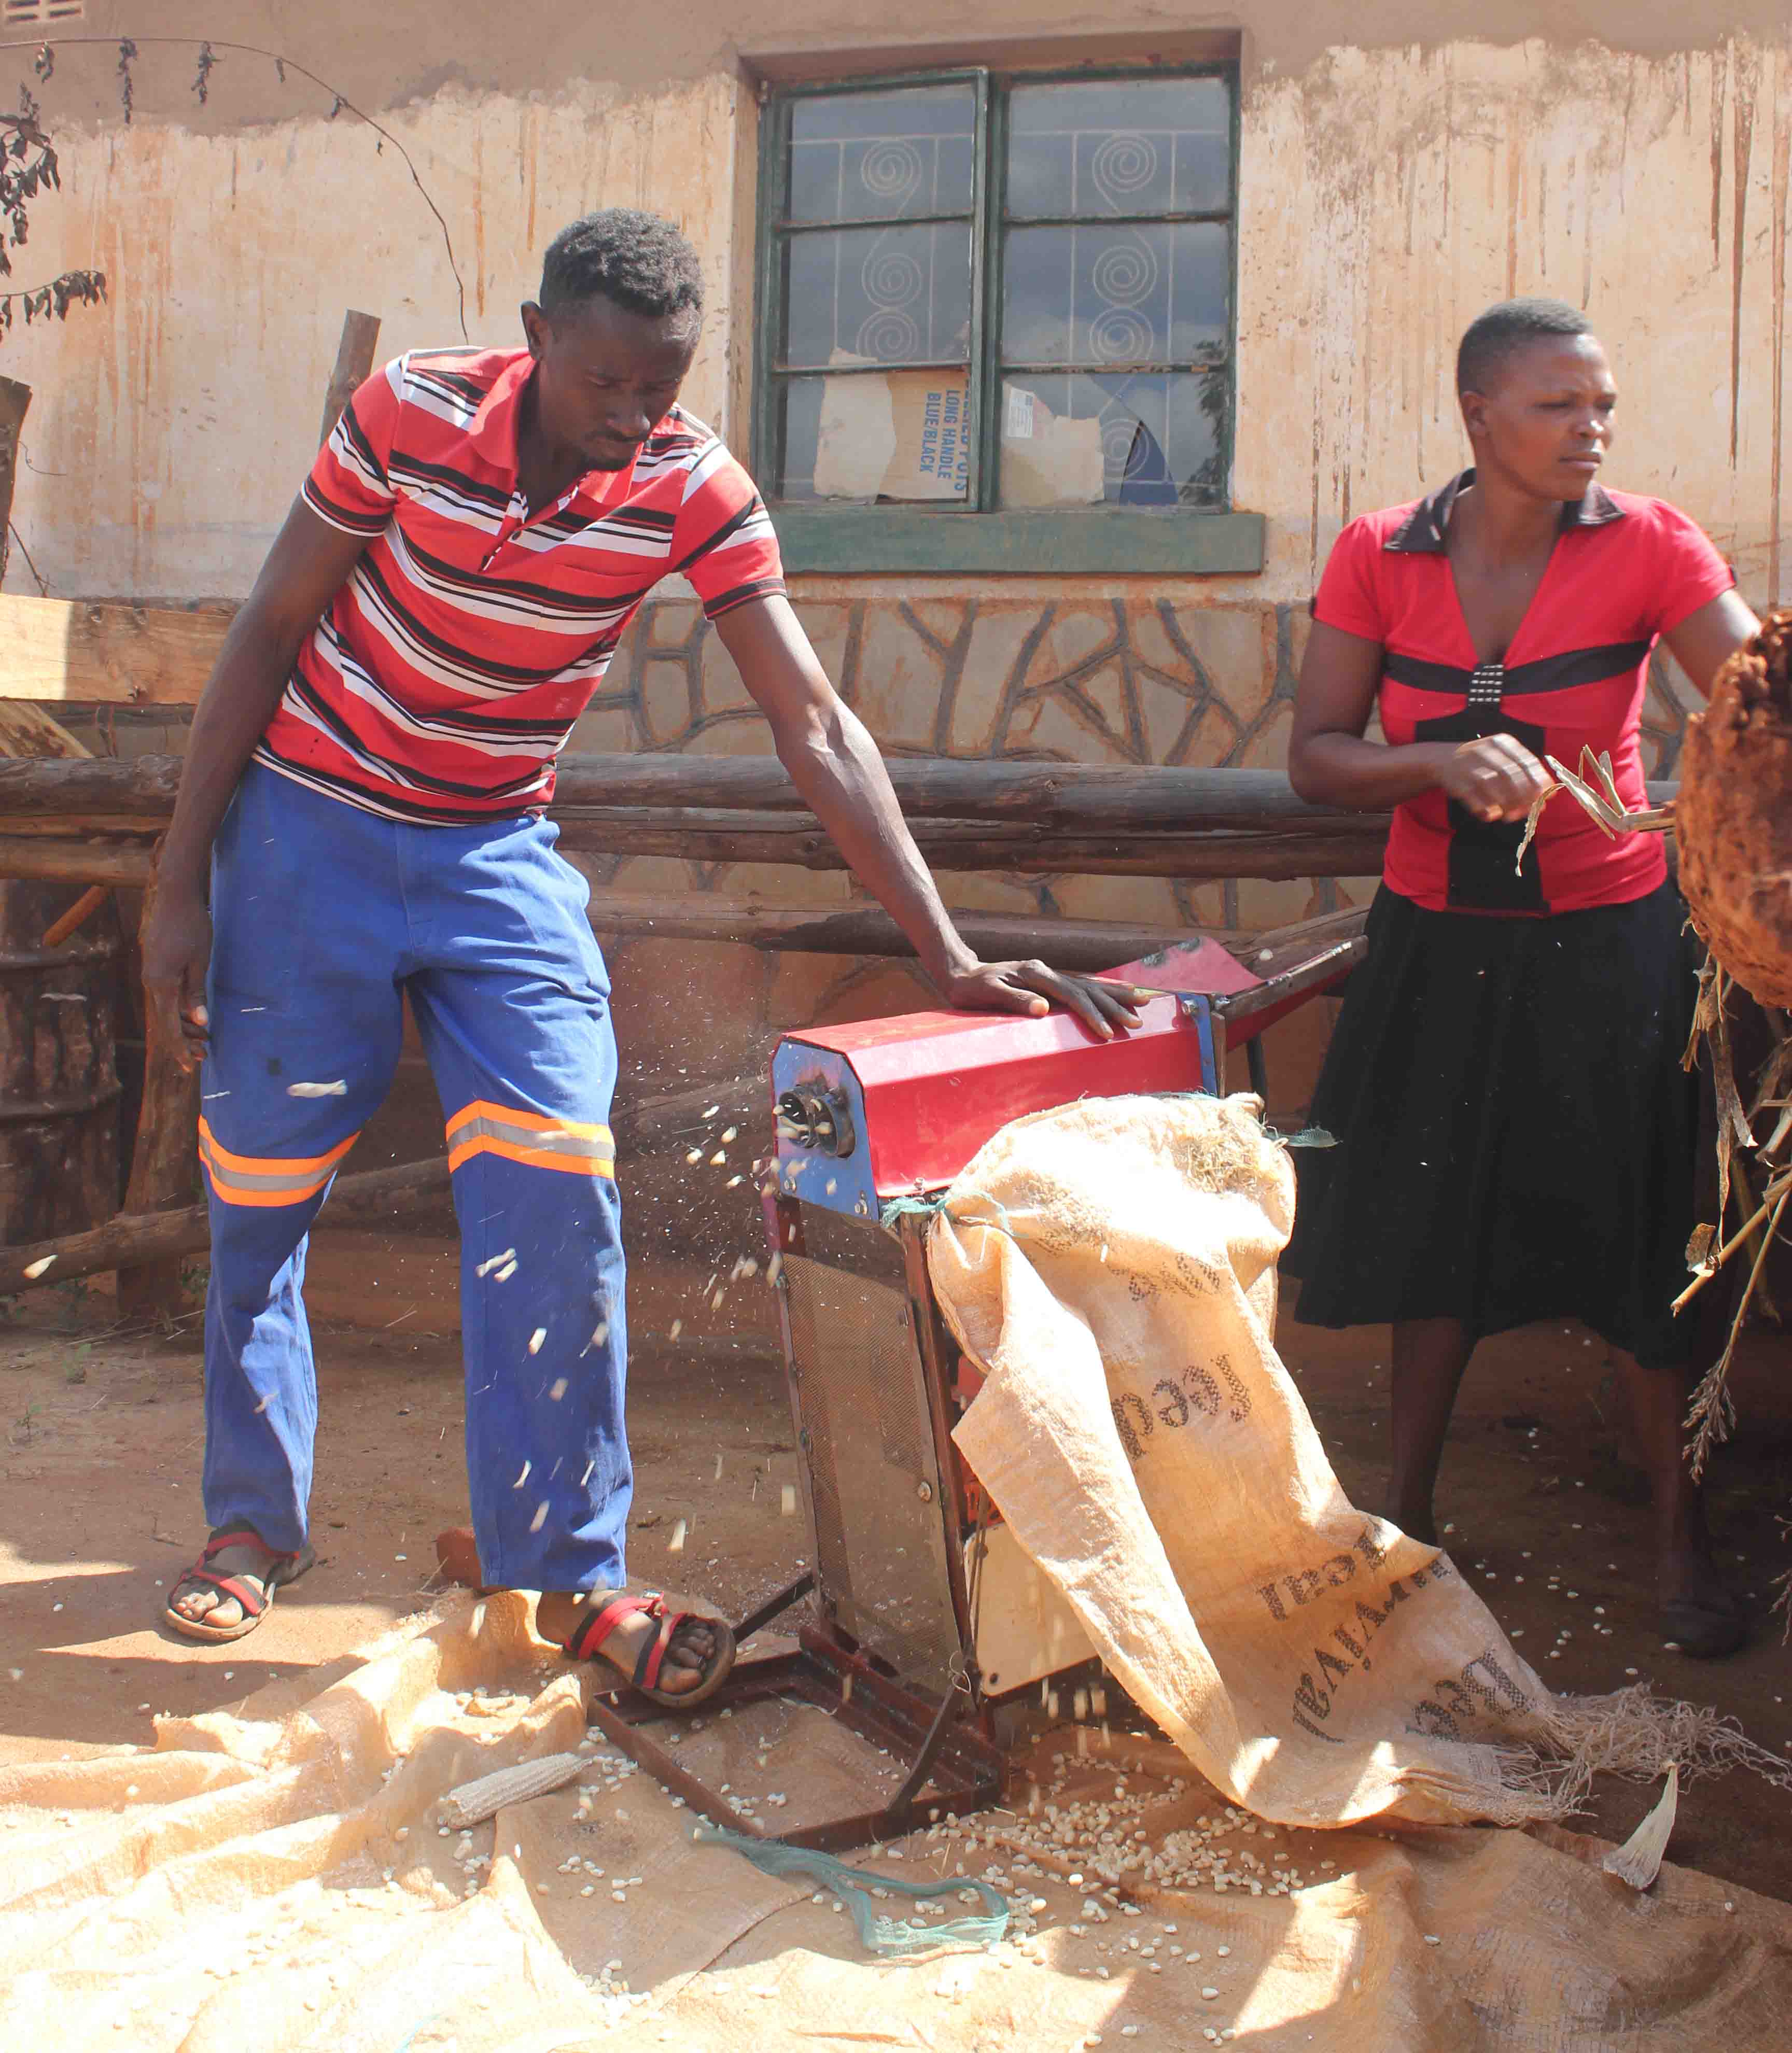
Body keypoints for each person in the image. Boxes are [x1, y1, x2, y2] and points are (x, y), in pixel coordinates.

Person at [143, 209, 1140, 1698]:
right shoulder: (409, 411)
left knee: (558, 1180)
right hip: (309, 832)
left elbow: (812, 723)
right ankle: (250, 1524)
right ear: (538, 340)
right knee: (264, 1195)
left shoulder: (693, 486)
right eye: (607, 381)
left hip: (494, 850)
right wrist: (182, 888)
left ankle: (570, 1573)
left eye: (660, 387)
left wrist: (943, 952)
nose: (634, 415)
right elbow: (269, 630)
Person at [1284, 296, 1759, 1658]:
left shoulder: (1653, 544)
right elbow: (1316, 753)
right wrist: (1435, 761)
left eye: (1602, 405)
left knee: (1636, 1236)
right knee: (1435, 1227)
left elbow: (1751, 699)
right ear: (1479, 417)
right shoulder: (1379, 554)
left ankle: (1680, 1541)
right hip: (1438, 940)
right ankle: (1409, 1522)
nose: (1590, 429)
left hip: (1611, 945)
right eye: (1559, 406)